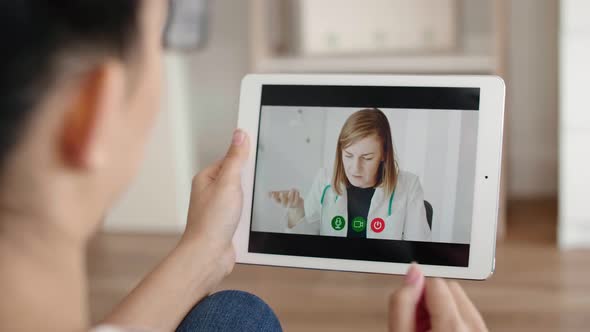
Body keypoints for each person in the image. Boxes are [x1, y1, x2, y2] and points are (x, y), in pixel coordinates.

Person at [0, 2, 486, 331]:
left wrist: (203, 252)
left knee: (236, 311)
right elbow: (318, 226)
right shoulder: (327, 181)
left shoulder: (407, 187)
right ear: (90, 112)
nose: (356, 166)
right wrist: (298, 218)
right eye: (158, 44)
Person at [270, 108, 431, 241]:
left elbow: (419, 252)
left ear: (384, 154)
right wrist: (297, 210)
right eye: (348, 156)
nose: (355, 168)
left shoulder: (409, 186)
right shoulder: (324, 179)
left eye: (367, 158)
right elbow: (305, 243)